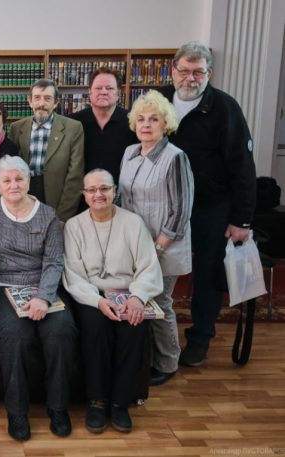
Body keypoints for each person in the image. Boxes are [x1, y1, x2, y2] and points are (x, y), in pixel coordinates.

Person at [158, 41, 257, 367]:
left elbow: (243, 167)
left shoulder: (225, 107)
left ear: (209, 74)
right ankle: (156, 336)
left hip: (211, 207)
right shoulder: (157, 100)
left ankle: (200, 338)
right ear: (173, 70)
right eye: (184, 71)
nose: (190, 78)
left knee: (208, 274)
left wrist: (242, 220)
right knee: (158, 270)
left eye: (198, 72)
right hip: (166, 207)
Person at [0, 156, 77, 441]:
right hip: (1, 285)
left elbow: (54, 262)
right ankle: (17, 411)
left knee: (61, 330)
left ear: (29, 181)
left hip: (42, 284)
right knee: (15, 333)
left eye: (19, 179)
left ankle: (58, 407)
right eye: (6, 180)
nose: (13, 185)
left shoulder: (47, 215)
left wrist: (44, 297)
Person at [63, 169, 163, 434]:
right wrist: (97, 301)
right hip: (91, 295)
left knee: (134, 327)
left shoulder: (133, 223)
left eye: (104, 188)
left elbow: (148, 266)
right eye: (91, 190)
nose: (98, 194)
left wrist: (138, 297)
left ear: (115, 191)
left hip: (129, 293)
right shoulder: (73, 226)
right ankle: (96, 401)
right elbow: (73, 274)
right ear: (84, 195)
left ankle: (120, 403)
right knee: (95, 327)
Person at [119, 90, 194, 386]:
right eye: (141, 119)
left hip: (164, 245)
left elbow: (181, 210)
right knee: (140, 301)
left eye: (153, 119)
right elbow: (123, 199)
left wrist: (157, 248)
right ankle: (146, 358)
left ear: (166, 124)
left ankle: (168, 362)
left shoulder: (175, 158)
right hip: (134, 244)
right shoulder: (130, 153)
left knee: (160, 302)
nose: (146, 125)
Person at [8, 79, 84, 222]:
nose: (41, 104)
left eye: (47, 98)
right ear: (30, 101)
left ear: (56, 102)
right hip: (24, 196)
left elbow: (75, 176)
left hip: (56, 198)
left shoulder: (73, 128)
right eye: (37, 98)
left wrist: (62, 217)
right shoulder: (16, 128)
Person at [70, 67, 137, 186]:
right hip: (83, 192)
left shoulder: (133, 122)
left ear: (118, 93)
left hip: (122, 192)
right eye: (98, 88)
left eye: (110, 88)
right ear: (90, 92)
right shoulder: (73, 122)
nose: (104, 92)